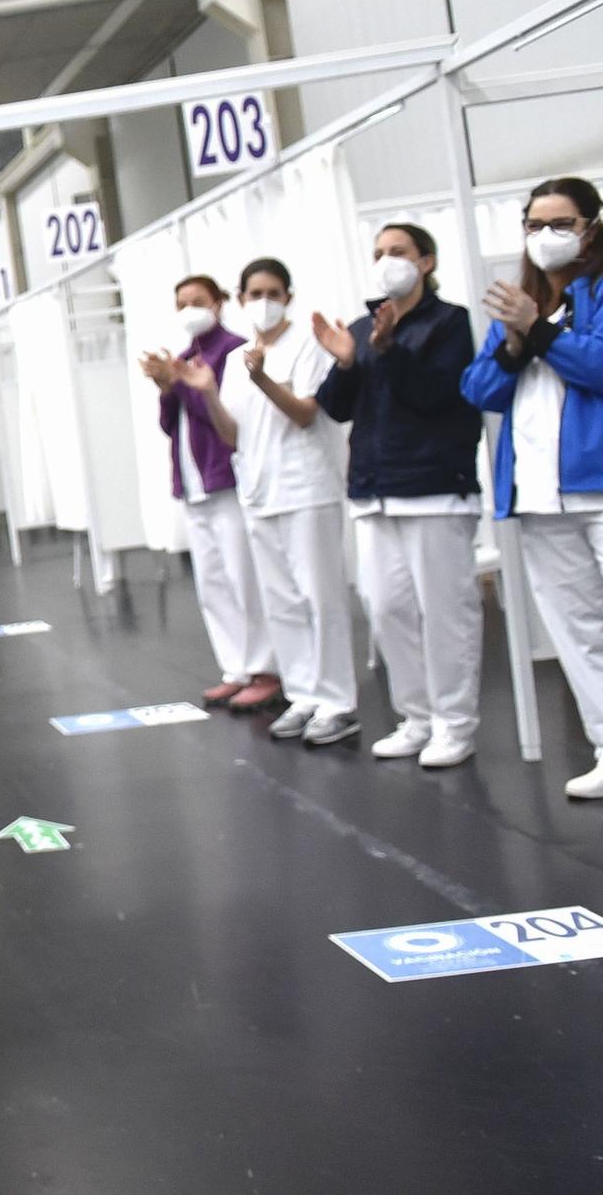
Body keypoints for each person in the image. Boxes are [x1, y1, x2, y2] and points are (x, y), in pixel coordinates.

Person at [313, 222, 484, 767]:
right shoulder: (365, 326)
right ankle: (417, 716)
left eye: (400, 252)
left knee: (445, 611)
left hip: (434, 486)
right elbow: (338, 408)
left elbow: (438, 396)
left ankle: (455, 724)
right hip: (374, 488)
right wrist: (345, 362)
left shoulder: (450, 322)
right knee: (386, 608)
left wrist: (388, 351)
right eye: (380, 252)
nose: (388, 261)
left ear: (427, 262)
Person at [175, 259, 358, 746]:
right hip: (258, 490)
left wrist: (262, 380)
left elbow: (304, 414)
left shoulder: (307, 346)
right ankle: (303, 693)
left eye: (273, 292)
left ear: (289, 296)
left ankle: (337, 701)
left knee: (321, 597)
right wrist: (210, 394)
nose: (264, 302)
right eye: (254, 293)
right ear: (239, 299)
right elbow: (233, 432)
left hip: (306, 487)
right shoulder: (237, 360)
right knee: (282, 602)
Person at [462, 177, 603, 795]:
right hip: (540, 495)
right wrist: (517, 344)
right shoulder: (520, 301)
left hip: (598, 487)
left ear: (592, 228)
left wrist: (541, 333)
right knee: (578, 629)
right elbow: (479, 390)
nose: (545, 237)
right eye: (534, 225)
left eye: (561, 224)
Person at [141, 275, 280, 712]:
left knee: (244, 579)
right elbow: (172, 424)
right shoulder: (185, 356)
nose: (189, 310)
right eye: (181, 303)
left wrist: (181, 384)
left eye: (198, 301)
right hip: (193, 485)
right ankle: (235, 668)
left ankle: (265, 669)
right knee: (213, 584)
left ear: (220, 304)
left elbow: (222, 415)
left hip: (225, 480)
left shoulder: (232, 351)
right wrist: (167, 387)